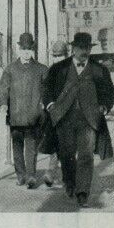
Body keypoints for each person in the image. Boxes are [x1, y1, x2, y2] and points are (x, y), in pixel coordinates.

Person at [43, 31, 114, 207]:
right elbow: (46, 88)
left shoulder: (99, 70)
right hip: (64, 119)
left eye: (87, 48)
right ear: (73, 49)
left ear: (90, 49)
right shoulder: (59, 68)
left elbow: (110, 91)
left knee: (86, 155)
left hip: (89, 120)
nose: (84, 51)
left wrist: (104, 106)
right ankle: (70, 183)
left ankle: (83, 192)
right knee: (66, 154)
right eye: (80, 47)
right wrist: (51, 105)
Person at [0, 32, 47, 188]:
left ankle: (30, 176)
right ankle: (20, 175)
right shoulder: (10, 69)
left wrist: (44, 103)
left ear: (32, 50)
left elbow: (48, 89)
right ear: (19, 49)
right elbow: (2, 88)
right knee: (17, 148)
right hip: (15, 116)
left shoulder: (41, 69)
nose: (26, 52)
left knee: (31, 148)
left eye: (29, 49)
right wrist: (3, 104)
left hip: (33, 116)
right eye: (23, 49)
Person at [41, 40, 67, 188]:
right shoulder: (50, 72)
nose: (57, 59)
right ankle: (54, 174)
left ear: (66, 55)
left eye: (60, 56)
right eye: (55, 56)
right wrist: (50, 104)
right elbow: (45, 91)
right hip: (54, 115)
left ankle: (54, 174)